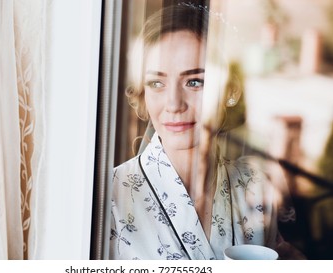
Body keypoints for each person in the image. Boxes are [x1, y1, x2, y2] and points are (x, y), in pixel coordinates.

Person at [109, 3, 301, 260]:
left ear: (229, 91)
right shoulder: (108, 196)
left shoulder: (254, 186)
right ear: (142, 93)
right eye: (157, 83)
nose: (175, 104)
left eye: (194, 81)